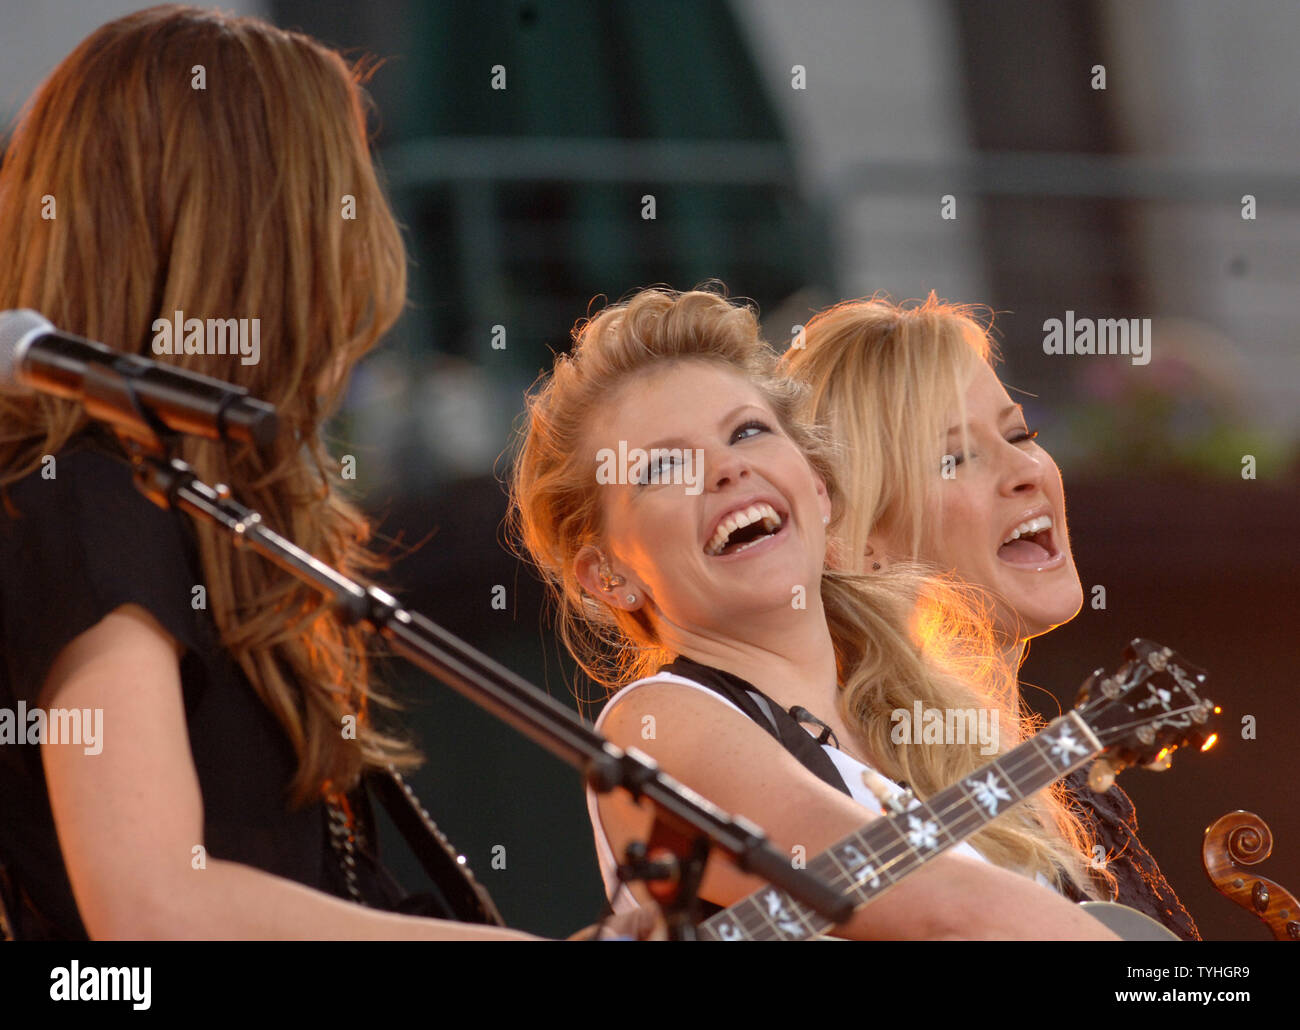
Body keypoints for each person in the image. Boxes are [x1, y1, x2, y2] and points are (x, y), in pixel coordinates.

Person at [0, 5, 650, 941]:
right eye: (342, 193)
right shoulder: (88, 503)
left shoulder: (206, 517)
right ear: (259, 238)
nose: (368, 235)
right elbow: (150, 908)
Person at [509, 285, 1121, 939]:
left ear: (820, 489)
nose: (725, 470)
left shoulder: (931, 721)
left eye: (747, 432)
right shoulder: (659, 722)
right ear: (609, 575)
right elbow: (948, 909)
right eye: (663, 467)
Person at [780, 294, 1200, 939]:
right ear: (855, 541)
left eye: (1018, 434)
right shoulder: (861, 801)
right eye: (953, 459)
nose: (1025, 471)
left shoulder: (1074, 793)